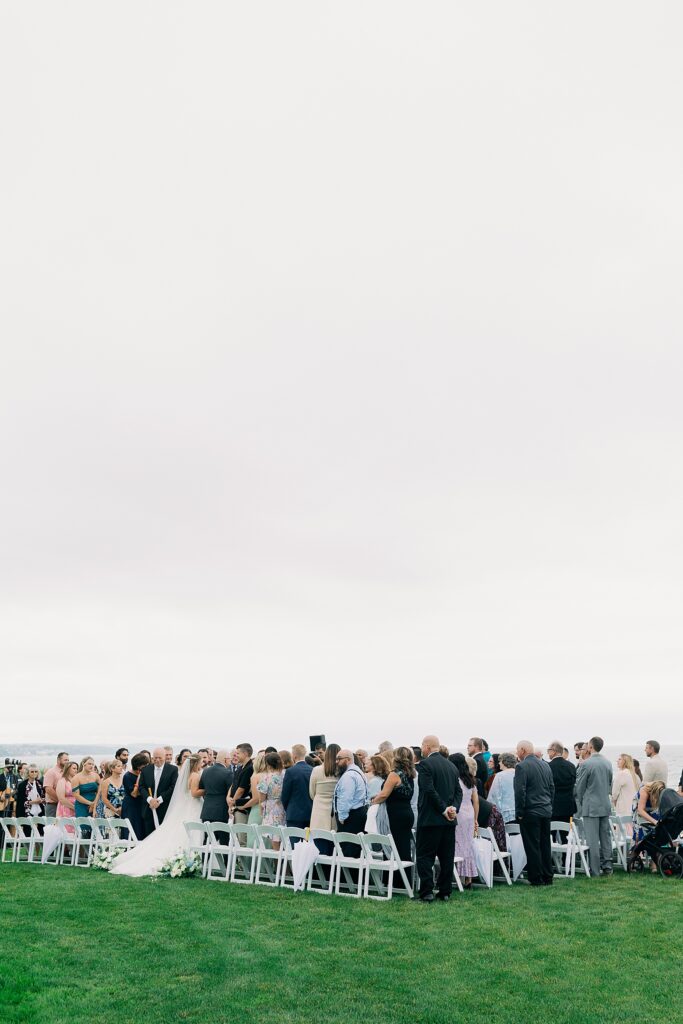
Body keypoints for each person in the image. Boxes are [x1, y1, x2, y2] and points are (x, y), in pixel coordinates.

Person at [111, 755, 203, 877]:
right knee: (188, 833)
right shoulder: (195, 775)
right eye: (201, 763)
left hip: (184, 806)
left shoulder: (184, 774)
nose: (202, 765)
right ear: (196, 764)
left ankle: (186, 860)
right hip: (192, 806)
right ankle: (190, 860)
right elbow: (194, 793)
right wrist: (207, 790)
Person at [415, 736, 460, 902]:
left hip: (431, 819)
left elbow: (428, 790)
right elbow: (458, 792)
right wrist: (453, 808)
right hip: (449, 821)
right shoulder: (451, 765)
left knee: (425, 856)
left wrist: (443, 809)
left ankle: (426, 892)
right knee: (446, 857)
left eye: (422, 745)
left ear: (427, 747)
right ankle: (445, 891)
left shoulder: (425, 765)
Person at [514, 739, 554, 886]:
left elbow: (520, 791)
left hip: (530, 811)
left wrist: (519, 811)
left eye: (517, 750)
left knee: (532, 845)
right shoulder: (545, 765)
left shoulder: (522, 767)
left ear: (523, 750)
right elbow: (551, 788)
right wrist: (550, 806)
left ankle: (536, 877)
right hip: (545, 810)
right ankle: (548, 876)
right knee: (545, 844)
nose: (517, 753)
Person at [574, 736, 613, 877]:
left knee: (593, 839)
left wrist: (580, 798)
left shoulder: (586, 764)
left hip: (591, 806)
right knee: (605, 837)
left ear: (590, 747)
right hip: (605, 804)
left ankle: (595, 870)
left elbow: (580, 787)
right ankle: (608, 867)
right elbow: (609, 784)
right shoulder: (608, 763)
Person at [371, 746, 416, 862]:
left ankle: (394, 878)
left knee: (393, 849)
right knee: (403, 849)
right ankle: (404, 878)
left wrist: (373, 802)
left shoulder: (394, 774)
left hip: (395, 815)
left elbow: (384, 795)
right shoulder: (410, 774)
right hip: (407, 813)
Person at [450, 753, 478, 887]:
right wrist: (476, 819)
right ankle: (468, 877)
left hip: (459, 813)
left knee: (458, 843)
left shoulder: (455, 780)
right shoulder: (470, 780)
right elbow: (476, 801)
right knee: (468, 844)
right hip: (470, 813)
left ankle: (457, 875)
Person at [138, 748, 179, 837]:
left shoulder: (173, 770)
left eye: (160, 758)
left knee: (164, 836)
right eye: (155, 758)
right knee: (148, 837)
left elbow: (173, 787)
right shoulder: (145, 770)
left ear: (165, 757)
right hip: (148, 808)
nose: (157, 760)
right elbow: (141, 787)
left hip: (165, 809)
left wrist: (159, 800)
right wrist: (150, 800)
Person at [333, 750, 368, 839]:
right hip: (358, 813)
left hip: (351, 817)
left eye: (339, 759)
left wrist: (342, 817)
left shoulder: (349, 776)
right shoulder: (358, 772)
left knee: (348, 848)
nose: (336, 762)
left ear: (348, 760)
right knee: (356, 847)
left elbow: (345, 798)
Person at [309, 743, 339, 846]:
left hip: (319, 812)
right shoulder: (340, 771)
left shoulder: (316, 770)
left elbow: (312, 792)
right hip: (335, 811)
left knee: (320, 846)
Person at [281, 744, 313, 830]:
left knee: (295, 843)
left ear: (294, 756)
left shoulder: (290, 771)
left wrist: (288, 808)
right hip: (310, 812)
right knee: (309, 842)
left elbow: (285, 795)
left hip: (294, 814)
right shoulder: (312, 769)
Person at [257, 752, 286, 846]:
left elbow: (262, 798)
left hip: (271, 809)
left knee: (274, 838)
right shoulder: (285, 774)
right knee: (284, 837)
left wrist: (261, 810)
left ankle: (278, 860)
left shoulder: (266, 778)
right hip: (283, 806)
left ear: (268, 764)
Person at [199, 749, 231, 829]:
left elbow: (201, 788)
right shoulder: (228, 773)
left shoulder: (205, 771)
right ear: (225, 760)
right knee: (223, 839)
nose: (230, 762)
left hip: (206, 810)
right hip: (221, 810)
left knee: (208, 838)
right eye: (229, 759)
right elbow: (231, 792)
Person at [547, 741, 576, 825]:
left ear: (554, 751)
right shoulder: (571, 766)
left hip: (553, 806)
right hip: (569, 806)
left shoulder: (548, 766)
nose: (548, 753)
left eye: (548, 750)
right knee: (567, 833)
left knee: (552, 834)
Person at [121, 752, 149, 839]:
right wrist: (139, 779)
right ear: (138, 766)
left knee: (142, 830)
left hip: (141, 805)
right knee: (132, 830)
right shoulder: (128, 776)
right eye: (144, 766)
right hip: (131, 806)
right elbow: (134, 794)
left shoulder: (145, 774)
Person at [632, 780, 665, 845]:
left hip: (651, 809)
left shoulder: (661, 791)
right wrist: (654, 821)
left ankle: (655, 848)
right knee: (640, 833)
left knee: (658, 828)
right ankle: (638, 850)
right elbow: (640, 811)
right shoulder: (644, 791)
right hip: (639, 810)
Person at [228, 744, 254, 826]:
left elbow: (241, 789)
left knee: (241, 834)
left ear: (245, 754)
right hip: (235, 804)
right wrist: (228, 797)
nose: (236, 756)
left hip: (242, 807)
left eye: (238, 753)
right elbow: (233, 784)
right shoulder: (240, 767)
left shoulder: (250, 768)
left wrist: (232, 804)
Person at [488, 752, 517, 823]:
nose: (499, 764)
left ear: (504, 762)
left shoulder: (499, 776)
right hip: (518, 810)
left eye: (500, 761)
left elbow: (494, 795)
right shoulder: (518, 773)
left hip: (505, 812)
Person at [72, 758, 101, 825]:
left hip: (95, 804)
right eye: (89, 764)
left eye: (93, 764)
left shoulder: (96, 776)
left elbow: (99, 791)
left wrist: (94, 804)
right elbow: (76, 795)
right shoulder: (76, 778)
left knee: (95, 826)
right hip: (81, 805)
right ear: (83, 764)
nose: (91, 766)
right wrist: (90, 803)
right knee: (83, 826)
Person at [16, 765, 45, 833]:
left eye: (36, 771)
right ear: (28, 773)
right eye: (32, 772)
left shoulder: (40, 783)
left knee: (41, 831)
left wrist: (41, 800)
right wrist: (33, 802)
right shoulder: (22, 785)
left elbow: (44, 796)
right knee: (27, 832)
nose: (34, 773)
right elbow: (21, 801)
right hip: (27, 812)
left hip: (40, 810)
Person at [612, 754, 639, 826]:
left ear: (625, 762)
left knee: (622, 832)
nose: (617, 761)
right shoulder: (635, 775)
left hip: (623, 808)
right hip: (633, 808)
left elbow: (614, 793)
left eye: (620, 759)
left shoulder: (621, 774)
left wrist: (614, 802)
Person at [43, 753, 70, 818]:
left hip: (65, 805)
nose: (67, 762)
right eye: (65, 760)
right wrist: (61, 800)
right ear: (58, 760)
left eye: (68, 760)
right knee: (52, 827)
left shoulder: (67, 773)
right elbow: (48, 789)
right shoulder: (51, 772)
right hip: (53, 806)